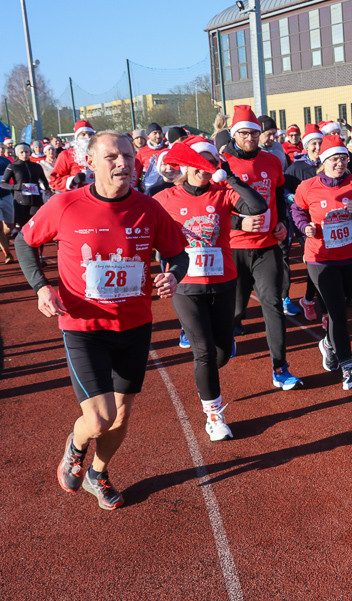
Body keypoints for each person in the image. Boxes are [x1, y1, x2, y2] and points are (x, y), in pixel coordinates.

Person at [15, 131, 188, 509]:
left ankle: (98, 471)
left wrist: (173, 275)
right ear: (90, 163)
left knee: (122, 414)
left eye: (128, 155)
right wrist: (42, 288)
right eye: (111, 157)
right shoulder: (64, 204)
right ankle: (76, 447)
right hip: (84, 328)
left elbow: (178, 254)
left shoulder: (149, 207)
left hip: (135, 325)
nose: (122, 163)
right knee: (98, 419)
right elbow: (25, 243)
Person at [154, 139, 267, 440]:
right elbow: (152, 236)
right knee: (203, 352)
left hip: (222, 281)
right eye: (200, 162)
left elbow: (258, 206)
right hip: (185, 285)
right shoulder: (165, 198)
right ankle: (214, 415)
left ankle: (218, 356)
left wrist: (230, 177)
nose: (205, 169)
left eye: (211, 162)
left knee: (219, 354)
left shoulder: (222, 194)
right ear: (186, 164)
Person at [221, 104, 303, 390]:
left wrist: (282, 222)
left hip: (267, 244)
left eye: (254, 133)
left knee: (273, 304)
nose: (250, 138)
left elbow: (279, 193)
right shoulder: (222, 163)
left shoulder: (271, 160)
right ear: (234, 135)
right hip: (233, 247)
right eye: (244, 133)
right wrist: (237, 224)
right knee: (236, 307)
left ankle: (280, 367)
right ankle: (230, 329)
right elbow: (211, 207)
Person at [291, 135, 352, 389]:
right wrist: (303, 226)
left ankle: (329, 343)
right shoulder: (308, 186)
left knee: (343, 304)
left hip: (351, 257)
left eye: (343, 158)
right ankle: (348, 369)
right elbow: (297, 210)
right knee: (337, 313)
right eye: (333, 159)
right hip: (320, 259)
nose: (339, 163)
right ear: (323, 161)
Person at [284, 123, 325, 320]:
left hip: (328, 222)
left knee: (329, 260)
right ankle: (309, 299)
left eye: (320, 143)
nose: (318, 147)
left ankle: (322, 296)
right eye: (314, 144)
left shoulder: (330, 163)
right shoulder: (295, 168)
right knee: (315, 261)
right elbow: (283, 191)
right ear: (306, 146)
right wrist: (294, 198)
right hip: (305, 224)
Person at [1, 143, 52, 231]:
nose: (24, 154)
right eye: (22, 152)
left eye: (26, 152)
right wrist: (17, 186)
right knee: (24, 227)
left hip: (36, 200)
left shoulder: (36, 166)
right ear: (17, 154)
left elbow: (44, 180)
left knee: (36, 225)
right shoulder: (13, 166)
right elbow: (3, 183)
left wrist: (47, 188)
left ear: (30, 152)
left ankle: (38, 244)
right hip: (21, 201)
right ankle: (25, 243)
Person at [49, 120, 96, 192]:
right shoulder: (66, 155)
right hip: (77, 196)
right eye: (83, 134)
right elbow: (54, 180)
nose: (87, 137)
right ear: (77, 137)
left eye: (90, 134)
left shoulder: (101, 153)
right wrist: (73, 180)